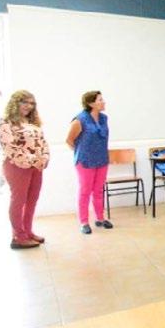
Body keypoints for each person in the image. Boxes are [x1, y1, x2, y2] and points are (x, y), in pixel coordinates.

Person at [0, 90, 50, 249]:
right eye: (24, 102)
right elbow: (10, 147)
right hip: (17, 166)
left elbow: (43, 143)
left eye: (32, 103)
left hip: (36, 166)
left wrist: (44, 158)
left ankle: (27, 231)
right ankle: (18, 236)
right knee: (18, 200)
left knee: (32, 200)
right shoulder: (5, 123)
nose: (29, 106)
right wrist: (33, 160)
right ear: (15, 103)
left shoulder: (32, 123)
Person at [65, 91, 111, 234]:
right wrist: (81, 152)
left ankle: (100, 218)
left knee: (98, 190)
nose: (103, 102)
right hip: (85, 161)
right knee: (85, 191)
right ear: (91, 103)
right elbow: (69, 140)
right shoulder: (80, 120)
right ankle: (84, 222)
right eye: (100, 100)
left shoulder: (104, 118)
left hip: (102, 159)